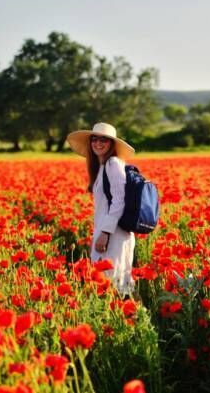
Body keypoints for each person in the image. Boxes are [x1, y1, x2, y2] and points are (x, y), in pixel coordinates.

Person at [66, 122, 135, 296]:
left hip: (114, 233)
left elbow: (119, 200)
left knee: (113, 284)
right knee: (107, 283)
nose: (98, 143)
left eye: (103, 139)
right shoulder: (103, 166)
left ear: (112, 144)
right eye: (94, 139)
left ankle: (122, 318)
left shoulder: (113, 163)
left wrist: (105, 233)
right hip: (107, 230)